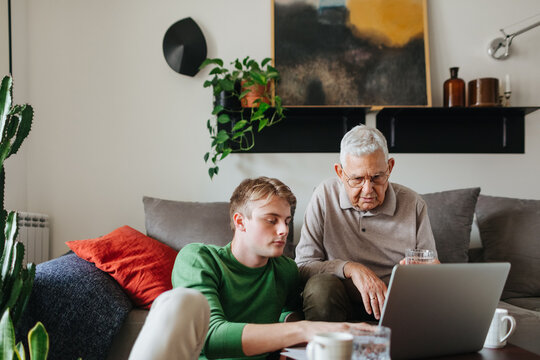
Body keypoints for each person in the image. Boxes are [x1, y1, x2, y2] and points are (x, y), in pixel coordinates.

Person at [168, 176, 370, 360]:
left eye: (287, 221)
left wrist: (289, 347)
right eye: (271, 220)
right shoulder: (198, 259)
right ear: (240, 222)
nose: (283, 230)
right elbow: (209, 336)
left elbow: (289, 312)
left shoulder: (285, 269)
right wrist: (304, 330)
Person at [295, 125, 439, 323]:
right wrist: (350, 268)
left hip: (395, 305)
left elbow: (431, 270)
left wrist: (432, 274)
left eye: (377, 177)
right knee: (320, 287)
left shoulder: (413, 204)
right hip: (338, 301)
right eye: (357, 179)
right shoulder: (324, 196)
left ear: (390, 167)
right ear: (340, 172)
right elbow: (302, 267)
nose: (368, 190)